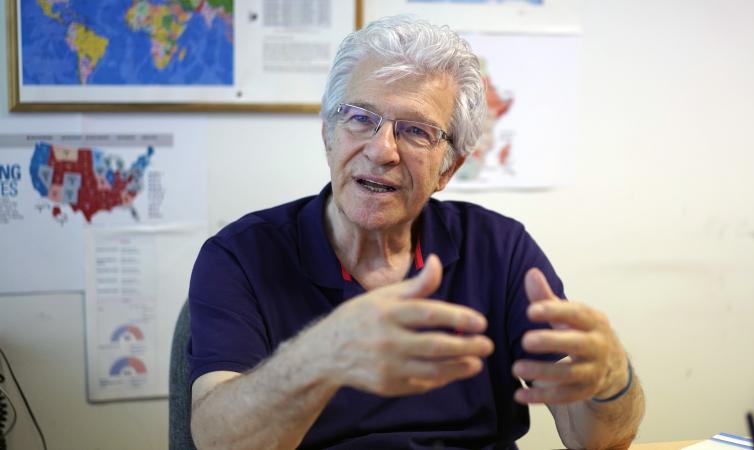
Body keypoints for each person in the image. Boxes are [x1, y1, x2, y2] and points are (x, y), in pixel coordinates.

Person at [188, 15, 644, 450]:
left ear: (449, 169)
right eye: (360, 117)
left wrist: (613, 381)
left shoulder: (499, 249)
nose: (381, 150)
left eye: (415, 131)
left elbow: (593, 440)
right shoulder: (240, 257)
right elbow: (217, 440)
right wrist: (320, 356)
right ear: (328, 134)